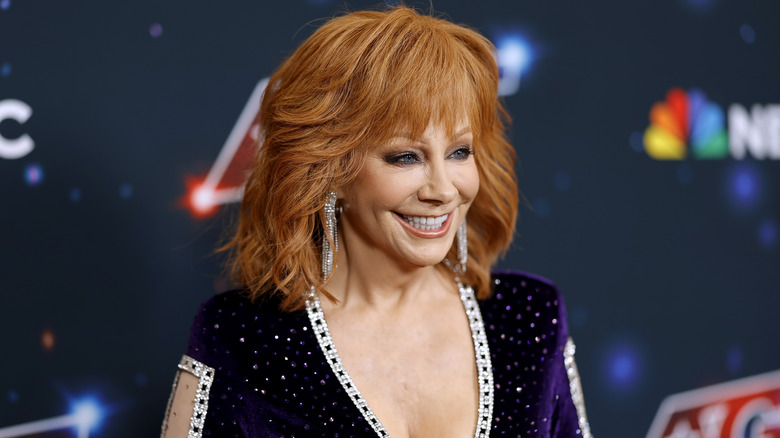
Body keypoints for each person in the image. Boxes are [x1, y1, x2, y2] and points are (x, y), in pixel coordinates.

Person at [161, 6, 592, 438]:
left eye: (460, 152)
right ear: (329, 169)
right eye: (406, 157)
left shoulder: (530, 318)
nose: (442, 189)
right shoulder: (242, 339)